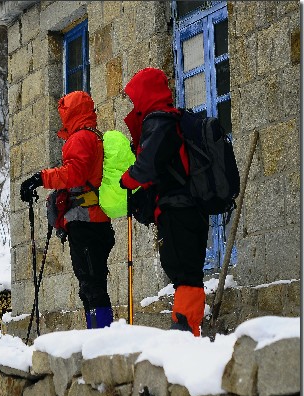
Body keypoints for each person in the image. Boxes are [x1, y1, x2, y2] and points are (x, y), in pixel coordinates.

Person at [118, 67, 208, 337]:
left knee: (185, 273)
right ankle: (187, 329)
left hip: (179, 209)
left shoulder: (160, 122)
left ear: (145, 94)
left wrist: (128, 180)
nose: (134, 104)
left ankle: (186, 333)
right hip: (187, 208)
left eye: (136, 97)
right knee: (185, 272)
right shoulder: (171, 120)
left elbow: (148, 166)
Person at [20, 90, 115, 329]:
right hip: (96, 220)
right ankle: (99, 333)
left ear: (71, 112)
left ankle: (100, 335)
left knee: (91, 285)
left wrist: (40, 178)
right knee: (92, 284)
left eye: (63, 113)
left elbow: (74, 173)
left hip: (86, 222)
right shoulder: (94, 135)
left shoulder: (81, 138)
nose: (61, 118)